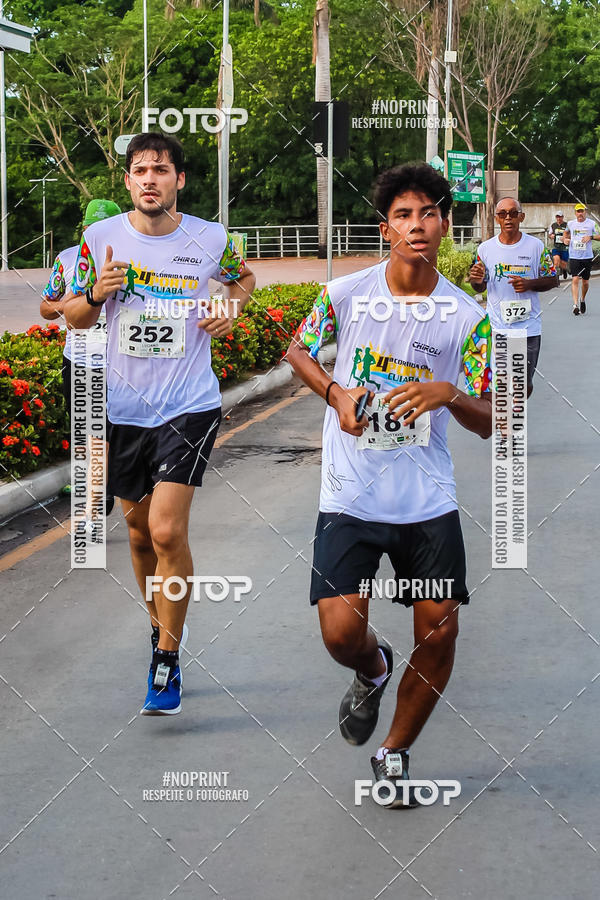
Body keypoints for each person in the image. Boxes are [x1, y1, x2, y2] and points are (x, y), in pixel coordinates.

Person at [287, 163, 492, 809]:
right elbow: (298, 350)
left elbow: (497, 421)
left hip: (427, 501)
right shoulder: (346, 295)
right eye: (404, 215)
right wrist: (335, 390)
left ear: (445, 223)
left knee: (440, 633)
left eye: (429, 212)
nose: (417, 225)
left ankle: (393, 752)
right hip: (350, 494)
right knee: (341, 635)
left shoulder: (468, 317)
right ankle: (372, 670)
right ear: (386, 229)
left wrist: (450, 392)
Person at [65, 132, 256, 715]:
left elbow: (243, 277)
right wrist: (95, 294)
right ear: (127, 181)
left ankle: (168, 658)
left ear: (179, 180)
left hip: (187, 404)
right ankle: (160, 628)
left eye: (162, 169)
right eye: (140, 169)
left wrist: (232, 303)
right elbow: (72, 315)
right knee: (140, 534)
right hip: (121, 409)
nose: (151, 178)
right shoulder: (99, 240)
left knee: (169, 532)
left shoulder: (209, 238)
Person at [40, 199, 122, 518]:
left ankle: (103, 488)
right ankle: (99, 489)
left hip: (119, 360)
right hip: (79, 358)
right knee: (87, 429)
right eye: (91, 228)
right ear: (84, 228)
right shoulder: (68, 259)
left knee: (112, 429)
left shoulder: (134, 261)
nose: (96, 234)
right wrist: (75, 307)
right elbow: (46, 307)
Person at [469, 198, 557, 397]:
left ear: (521, 217)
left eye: (513, 213)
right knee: (500, 385)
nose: (508, 218)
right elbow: (480, 286)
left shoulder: (536, 247)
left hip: (527, 329)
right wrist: (476, 280)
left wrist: (529, 284)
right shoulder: (485, 249)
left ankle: (516, 407)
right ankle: (506, 426)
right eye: (502, 214)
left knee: (523, 385)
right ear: (497, 219)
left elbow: (553, 279)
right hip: (497, 327)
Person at [564, 203, 600, 315]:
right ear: (575, 213)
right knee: (575, 279)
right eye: (578, 211)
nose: (580, 214)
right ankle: (575, 305)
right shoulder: (570, 224)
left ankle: (582, 299)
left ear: (585, 212)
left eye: (582, 211)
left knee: (585, 282)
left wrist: (591, 237)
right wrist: (565, 239)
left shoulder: (592, 224)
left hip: (587, 257)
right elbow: (565, 233)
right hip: (574, 256)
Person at [547, 211, 568, 280]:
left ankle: (564, 270)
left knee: (563, 263)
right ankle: (557, 279)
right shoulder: (553, 225)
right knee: (556, 261)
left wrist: (566, 237)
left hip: (564, 247)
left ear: (562, 217)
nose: (558, 218)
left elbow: (571, 234)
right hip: (556, 247)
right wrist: (551, 236)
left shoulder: (566, 225)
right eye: (557, 217)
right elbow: (549, 234)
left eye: (560, 217)